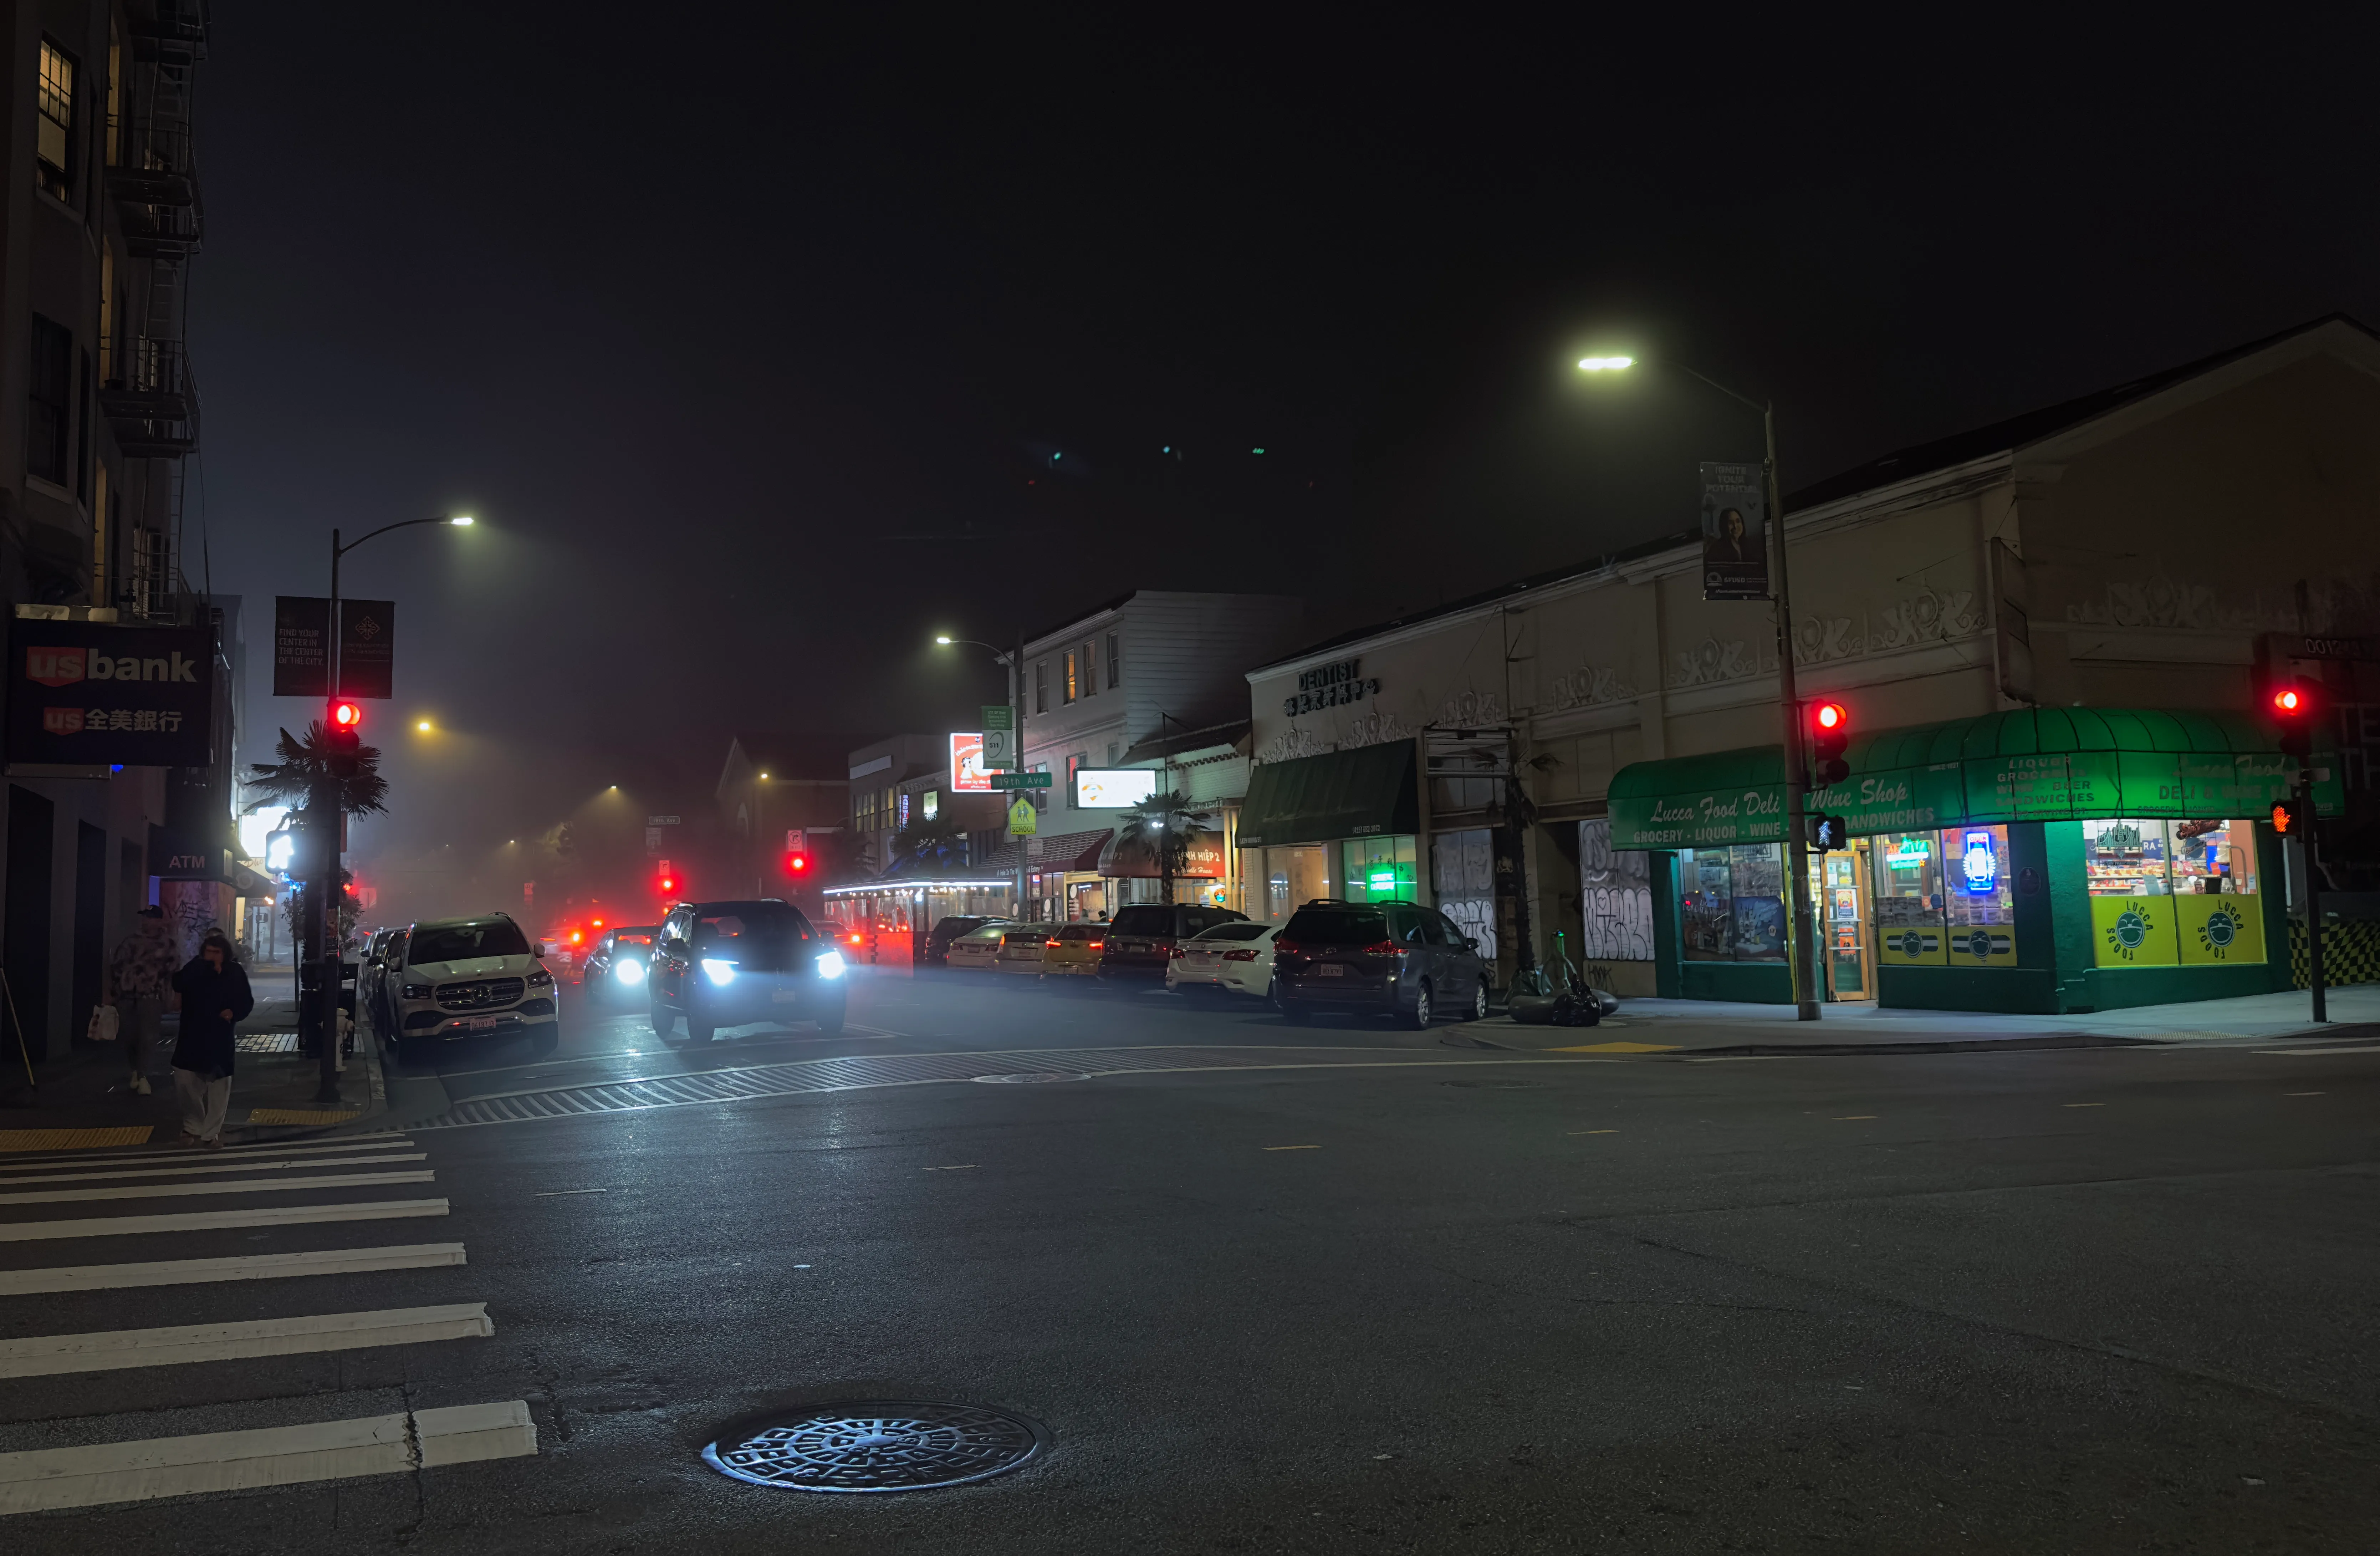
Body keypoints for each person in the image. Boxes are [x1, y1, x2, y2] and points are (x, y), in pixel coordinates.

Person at [170, 930, 254, 1150]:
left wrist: (233, 1013)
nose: (212, 956)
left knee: (219, 1085)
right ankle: (193, 1125)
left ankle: (211, 1133)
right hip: (192, 1033)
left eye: (217, 952)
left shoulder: (234, 972)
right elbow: (178, 982)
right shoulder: (195, 968)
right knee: (186, 1081)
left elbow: (246, 1000)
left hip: (219, 1035)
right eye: (209, 952)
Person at [103, 905, 179, 1096]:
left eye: (151, 918)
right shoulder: (130, 942)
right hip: (126, 995)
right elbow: (116, 968)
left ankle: (143, 1075)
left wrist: (172, 995)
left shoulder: (167, 944)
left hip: (151, 995)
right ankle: (136, 1070)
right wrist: (111, 993)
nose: (147, 921)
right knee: (128, 1035)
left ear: (160, 921)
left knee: (148, 1036)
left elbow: (174, 971)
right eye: (145, 918)